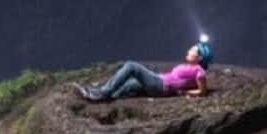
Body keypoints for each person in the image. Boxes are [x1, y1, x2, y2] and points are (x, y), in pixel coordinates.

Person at [75, 41, 212, 101]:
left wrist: (185, 92)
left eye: (192, 50)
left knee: (131, 66)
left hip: (160, 86)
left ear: (199, 57)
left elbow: (202, 91)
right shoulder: (190, 67)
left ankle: (100, 94)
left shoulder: (199, 71)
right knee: (128, 85)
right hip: (159, 80)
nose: (189, 50)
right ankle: (99, 92)